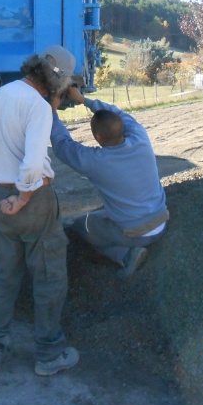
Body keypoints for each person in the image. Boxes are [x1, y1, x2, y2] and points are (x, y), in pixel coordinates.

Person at [0, 45, 80, 377]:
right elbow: (34, 162)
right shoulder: (38, 107)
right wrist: (22, 198)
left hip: (0, 196)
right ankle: (49, 355)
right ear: (57, 80)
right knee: (49, 276)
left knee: (4, 275)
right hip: (31, 200)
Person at [50, 86, 169, 277]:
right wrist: (84, 100)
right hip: (161, 220)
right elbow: (118, 113)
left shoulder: (95, 161)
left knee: (83, 224)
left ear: (98, 137)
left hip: (134, 233)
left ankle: (125, 255)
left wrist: (52, 112)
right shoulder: (140, 138)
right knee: (105, 213)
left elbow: (63, 145)